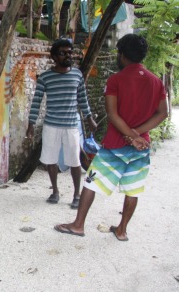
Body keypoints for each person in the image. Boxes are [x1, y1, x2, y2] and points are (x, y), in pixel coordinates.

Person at [54, 34, 168, 241]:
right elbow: (163, 113)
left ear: (122, 55)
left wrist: (130, 136)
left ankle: (78, 225)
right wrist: (138, 135)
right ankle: (122, 230)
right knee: (133, 189)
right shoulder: (156, 82)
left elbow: (113, 115)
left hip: (115, 145)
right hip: (141, 147)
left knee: (91, 182)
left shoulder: (116, 79)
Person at [26, 38, 97, 209]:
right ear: (54, 57)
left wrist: (89, 118)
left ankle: (77, 194)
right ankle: (55, 191)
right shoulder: (45, 77)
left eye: (70, 52)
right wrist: (30, 124)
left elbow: (83, 99)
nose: (68, 55)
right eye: (63, 53)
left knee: (74, 161)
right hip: (51, 125)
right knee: (50, 160)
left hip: (72, 125)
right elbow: (36, 101)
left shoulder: (77, 74)